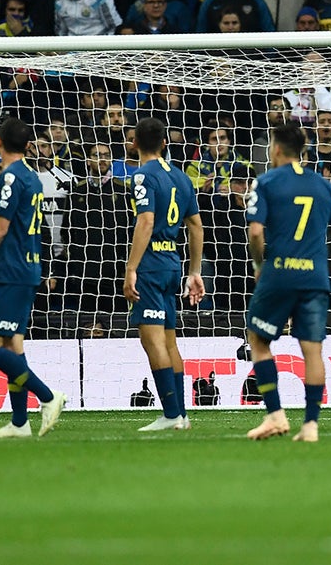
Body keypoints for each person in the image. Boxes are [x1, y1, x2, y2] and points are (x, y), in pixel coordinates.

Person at [245, 123, 331, 443]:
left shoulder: (266, 181)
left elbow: (256, 231)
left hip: (279, 274)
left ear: (277, 149)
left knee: (258, 340)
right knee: (313, 351)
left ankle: (275, 415)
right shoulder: (323, 186)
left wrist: (259, 265)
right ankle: (310, 426)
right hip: (315, 278)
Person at [0, 115, 66, 438]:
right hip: (28, 267)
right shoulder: (33, 177)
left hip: (9, 270)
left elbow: (1, 227)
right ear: (29, 145)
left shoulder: (9, 177)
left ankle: (48, 396)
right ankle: (20, 422)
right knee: (12, 345)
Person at [123, 118, 205, 431]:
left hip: (151, 265)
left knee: (153, 341)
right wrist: (194, 271)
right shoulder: (182, 177)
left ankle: (171, 415)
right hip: (172, 263)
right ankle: (180, 415)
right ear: (165, 143)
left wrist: (131, 268)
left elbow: (145, 221)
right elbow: (196, 225)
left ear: (134, 143)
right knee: (170, 341)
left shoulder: (142, 175)